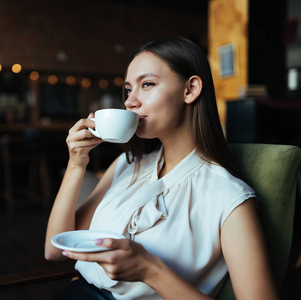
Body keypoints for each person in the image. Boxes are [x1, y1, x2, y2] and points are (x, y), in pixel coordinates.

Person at [45, 37, 279, 299]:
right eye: (128, 90)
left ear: (190, 89)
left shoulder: (228, 197)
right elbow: (55, 250)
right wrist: (77, 164)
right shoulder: (126, 165)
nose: (130, 101)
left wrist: (150, 270)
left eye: (147, 84)